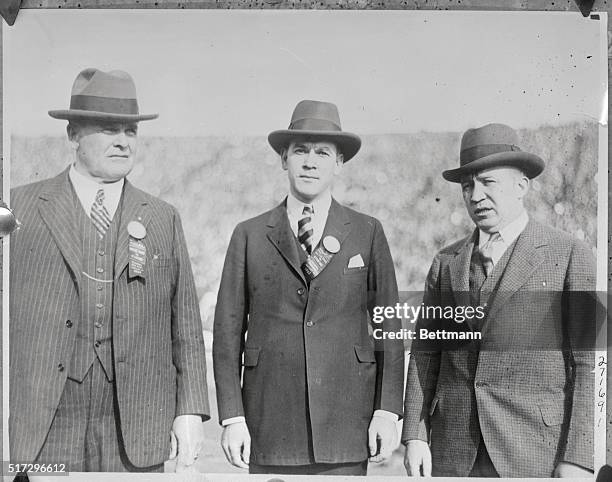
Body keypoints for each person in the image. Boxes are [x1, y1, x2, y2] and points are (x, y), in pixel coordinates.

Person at [9, 68, 210, 472]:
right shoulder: (19, 207)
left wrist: (189, 412)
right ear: (72, 135)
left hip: (134, 425)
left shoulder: (163, 217)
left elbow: (185, 325)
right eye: (107, 129)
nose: (122, 140)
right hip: (42, 420)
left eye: (130, 131)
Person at [213, 100, 404, 475]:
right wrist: (232, 417)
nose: (310, 161)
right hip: (270, 425)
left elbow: (389, 327)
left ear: (339, 163)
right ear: (284, 158)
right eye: (300, 151)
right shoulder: (249, 235)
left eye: (322, 152)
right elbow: (227, 333)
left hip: (347, 424)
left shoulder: (367, 231)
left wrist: (386, 410)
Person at [402, 123, 596, 478]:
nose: (475, 196)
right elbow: (425, 353)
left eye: (488, 182)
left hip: (534, 451)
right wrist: (415, 434)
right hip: (453, 452)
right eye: (466, 186)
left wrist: (579, 459)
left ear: (522, 185)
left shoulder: (570, 255)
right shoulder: (446, 262)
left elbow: (591, 365)